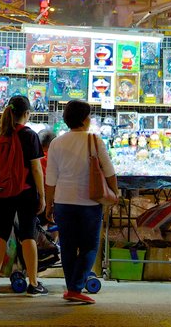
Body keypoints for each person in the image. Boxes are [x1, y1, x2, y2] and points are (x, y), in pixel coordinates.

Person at [45, 100, 118, 304]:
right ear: (85, 119)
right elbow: (109, 171)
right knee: (89, 247)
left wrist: (49, 204)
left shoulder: (56, 143)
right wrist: (115, 192)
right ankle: (76, 288)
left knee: (67, 247)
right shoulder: (94, 141)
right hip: (90, 203)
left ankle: (72, 288)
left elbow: (50, 178)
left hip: (63, 202)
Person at [0, 95, 46, 297]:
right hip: (25, 190)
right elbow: (37, 169)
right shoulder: (29, 135)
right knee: (28, 235)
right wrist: (43, 196)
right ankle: (33, 283)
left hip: (2, 191)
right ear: (27, 114)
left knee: (2, 231)